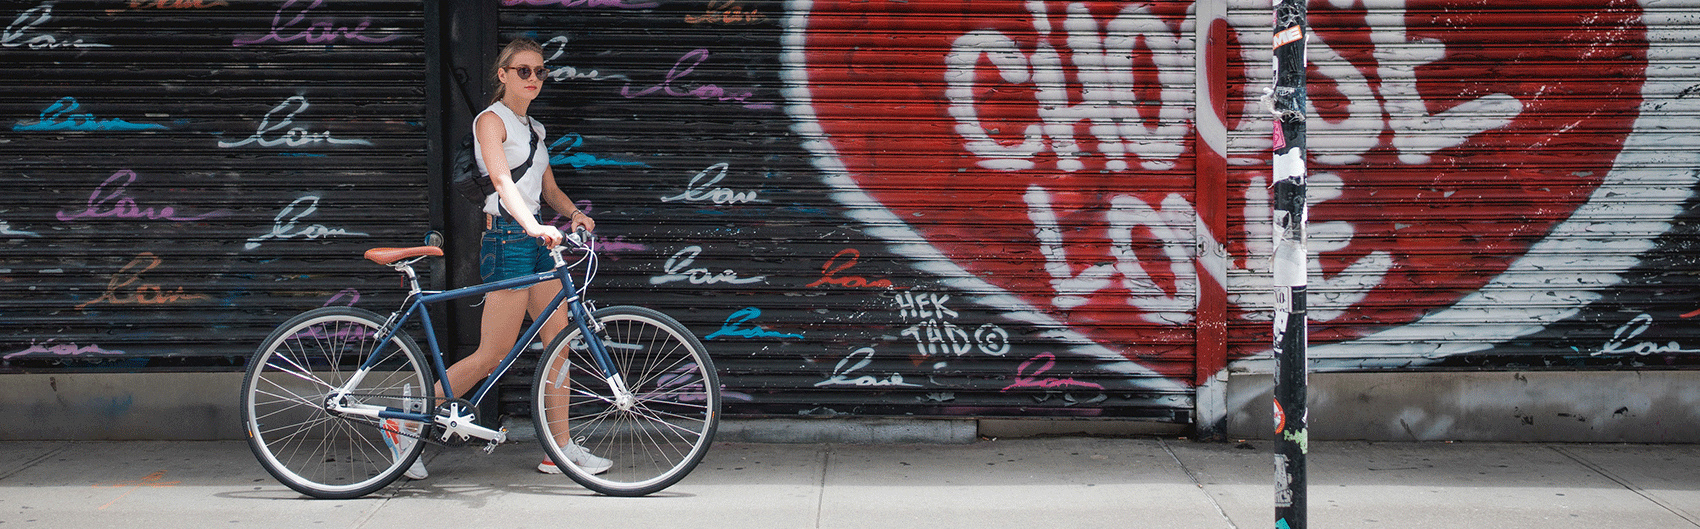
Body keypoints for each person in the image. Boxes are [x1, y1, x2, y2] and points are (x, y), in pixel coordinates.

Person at [383, 38, 610, 480]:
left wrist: (575, 214)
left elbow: (549, 191)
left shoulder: (536, 130)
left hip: (538, 242)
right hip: (508, 240)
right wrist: (531, 226)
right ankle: (403, 423)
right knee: (493, 352)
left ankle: (559, 450)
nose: (533, 79)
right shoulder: (491, 120)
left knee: (560, 344)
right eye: (523, 70)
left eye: (540, 71)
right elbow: (503, 182)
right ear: (503, 75)